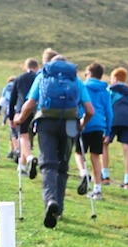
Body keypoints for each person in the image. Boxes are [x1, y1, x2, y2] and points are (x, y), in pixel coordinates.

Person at [14, 53, 94, 229]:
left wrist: (20, 119)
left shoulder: (43, 75)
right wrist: (82, 124)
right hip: (71, 123)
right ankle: (59, 208)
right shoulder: (75, 79)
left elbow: (30, 104)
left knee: (48, 164)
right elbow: (90, 110)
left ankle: (50, 200)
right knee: (62, 165)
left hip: (46, 122)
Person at [77, 63, 113, 201]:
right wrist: (108, 131)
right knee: (95, 157)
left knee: (79, 153)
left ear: (89, 74)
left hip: (84, 123)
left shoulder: (83, 87)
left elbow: (80, 105)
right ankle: (97, 189)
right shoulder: (105, 91)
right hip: (99, 126)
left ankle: (84, 173)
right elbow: (109, 112)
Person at [9, 57, 42, 179]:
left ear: (25, 67)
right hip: (37, 111)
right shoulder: (39, 77)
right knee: (29, 139)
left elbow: (12, 99)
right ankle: (21, 167)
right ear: (36, 67)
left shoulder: (19, 78)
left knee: (23, 137)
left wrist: (11, 116)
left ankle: (29, 158)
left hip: (23, 110)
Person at [105, 67, 128, 189]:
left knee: (105, 143)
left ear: (115, 78)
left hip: (114, 118)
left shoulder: (111, 90)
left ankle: (105, 175)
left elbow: (107, 104)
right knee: (127, 149)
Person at [0, 77, 18, 158]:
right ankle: (12, 151)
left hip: (10, 111)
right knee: (17, 132)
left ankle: (15, 151)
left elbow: (2, 100)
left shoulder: (7, 88)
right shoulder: (18, 86)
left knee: (13, 132)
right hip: (20, 111)